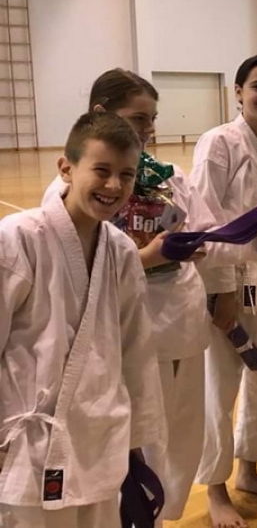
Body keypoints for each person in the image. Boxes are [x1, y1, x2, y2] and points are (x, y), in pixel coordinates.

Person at [40, 69, 257, 524]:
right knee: (135, 441)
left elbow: (208, 232)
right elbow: (68, 273)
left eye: (152, 119)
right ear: (101, 113)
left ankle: (160, 515)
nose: (149, 129)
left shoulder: (170, 177)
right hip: (121, 331)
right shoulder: (74, 189)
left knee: (181, 437)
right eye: (138, 118)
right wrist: (148, 257)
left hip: (182, 317)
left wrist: (253, 224)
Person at [0, 112, 165, 528]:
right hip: (29, 445)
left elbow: (136, 351)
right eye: (102, 171)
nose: (114, 186)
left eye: (126, 175)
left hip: (100, 436)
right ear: (66, 168)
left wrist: (135, 439)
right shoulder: (18, 238)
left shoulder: (122, 250)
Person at [192, 54, 257, 528]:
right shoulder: (218, 143)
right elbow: (203, 221)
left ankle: (249, 471)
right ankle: (215, 489)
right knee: (219, 390)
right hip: (228, 287)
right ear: (238, 92)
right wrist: (222, 290)